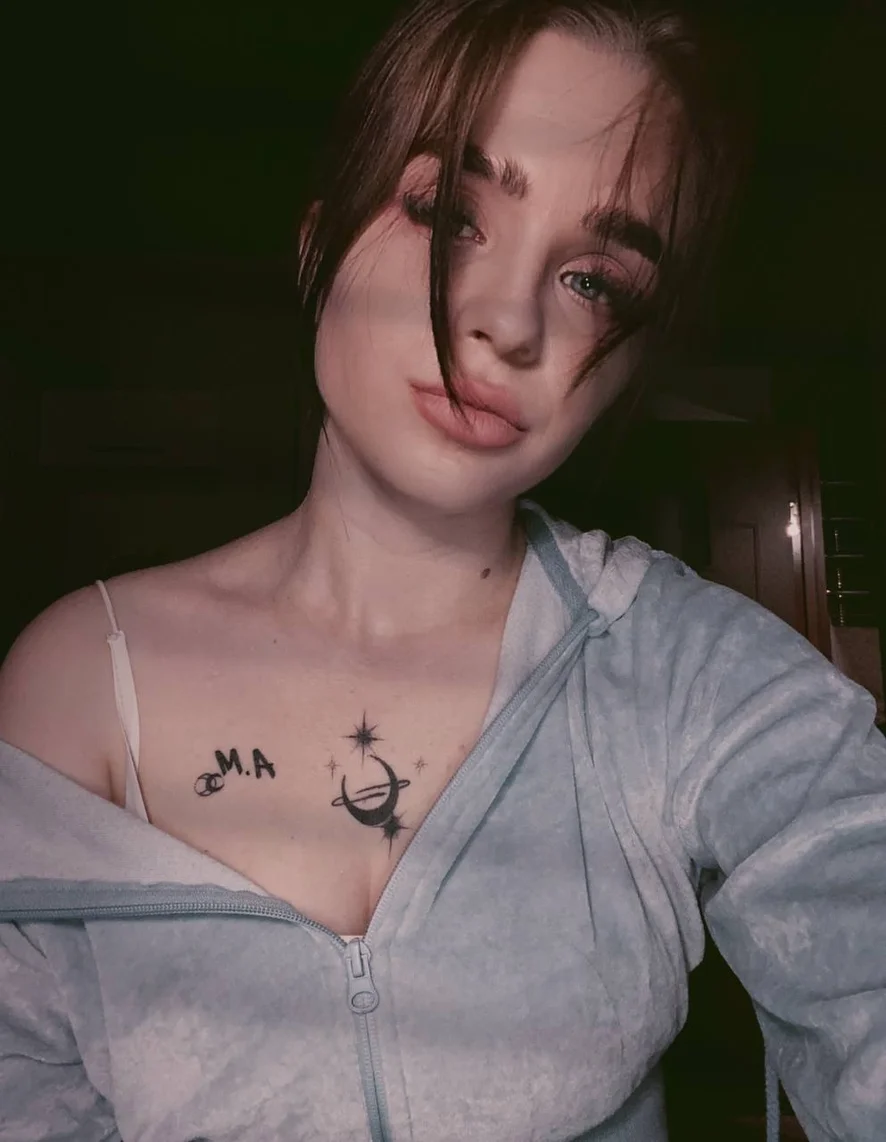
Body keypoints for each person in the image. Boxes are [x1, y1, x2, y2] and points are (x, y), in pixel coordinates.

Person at [0, 1, 883, 1140]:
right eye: (449, 214)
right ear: (319, 243)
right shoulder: (81, 681)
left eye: (595, 281)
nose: (508, 319)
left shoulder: (690, 676)